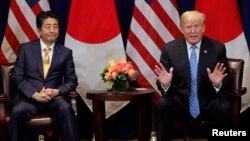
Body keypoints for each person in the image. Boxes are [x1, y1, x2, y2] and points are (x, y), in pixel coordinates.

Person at [154, 10, 232, 141]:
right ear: (182, 29)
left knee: (224, 107)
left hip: (208, 101)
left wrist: (218, 84)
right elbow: (162, 82)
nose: (192, 31)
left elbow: (227, 80)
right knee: (162, 104)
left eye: (196, 26)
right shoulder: (169, 49)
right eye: (188, 27)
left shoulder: (217, 48)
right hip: (181, 102)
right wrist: (165, 84)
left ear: (203, 28)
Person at [8, 11, 79, 141]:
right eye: (47, 26)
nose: (52, 30)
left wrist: (56, 91)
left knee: (66, 109)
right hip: (28, 100)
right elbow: (18, 77)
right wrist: (35, 94)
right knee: (17, 111)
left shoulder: (65, 52)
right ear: (39, 30)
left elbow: (72, 80)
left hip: (54, 100)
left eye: (55, 26)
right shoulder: (25, 49)